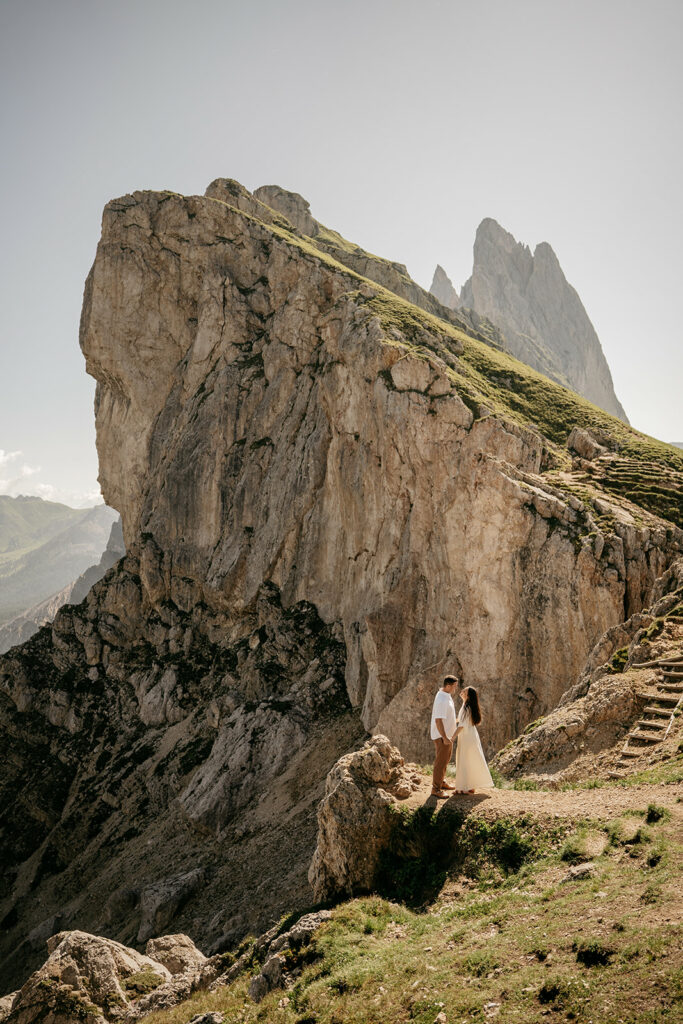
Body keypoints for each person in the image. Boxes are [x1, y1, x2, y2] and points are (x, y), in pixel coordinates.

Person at [453, 685, 494, 794]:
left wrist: (452, 737)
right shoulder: (467, 706)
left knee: (464, 760)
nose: (461, 692)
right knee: (470, 759)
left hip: (466, 736)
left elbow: (461, 725)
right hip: (470, 735)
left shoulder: (467, 707)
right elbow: (462, 720)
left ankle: (463, 788)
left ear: (468, 696)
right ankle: (469, 786)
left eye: (464, 691)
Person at [430, 675, 459, 798]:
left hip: (447, 735)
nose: (455, 689)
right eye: (454, 686)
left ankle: (441, 782)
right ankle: (435, 789)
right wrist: (445, 737)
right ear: (448, 686)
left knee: (445, 759)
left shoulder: (445, 695)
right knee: (440, 762)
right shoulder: (442, 700)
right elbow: (438, 720)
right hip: (443, 736)